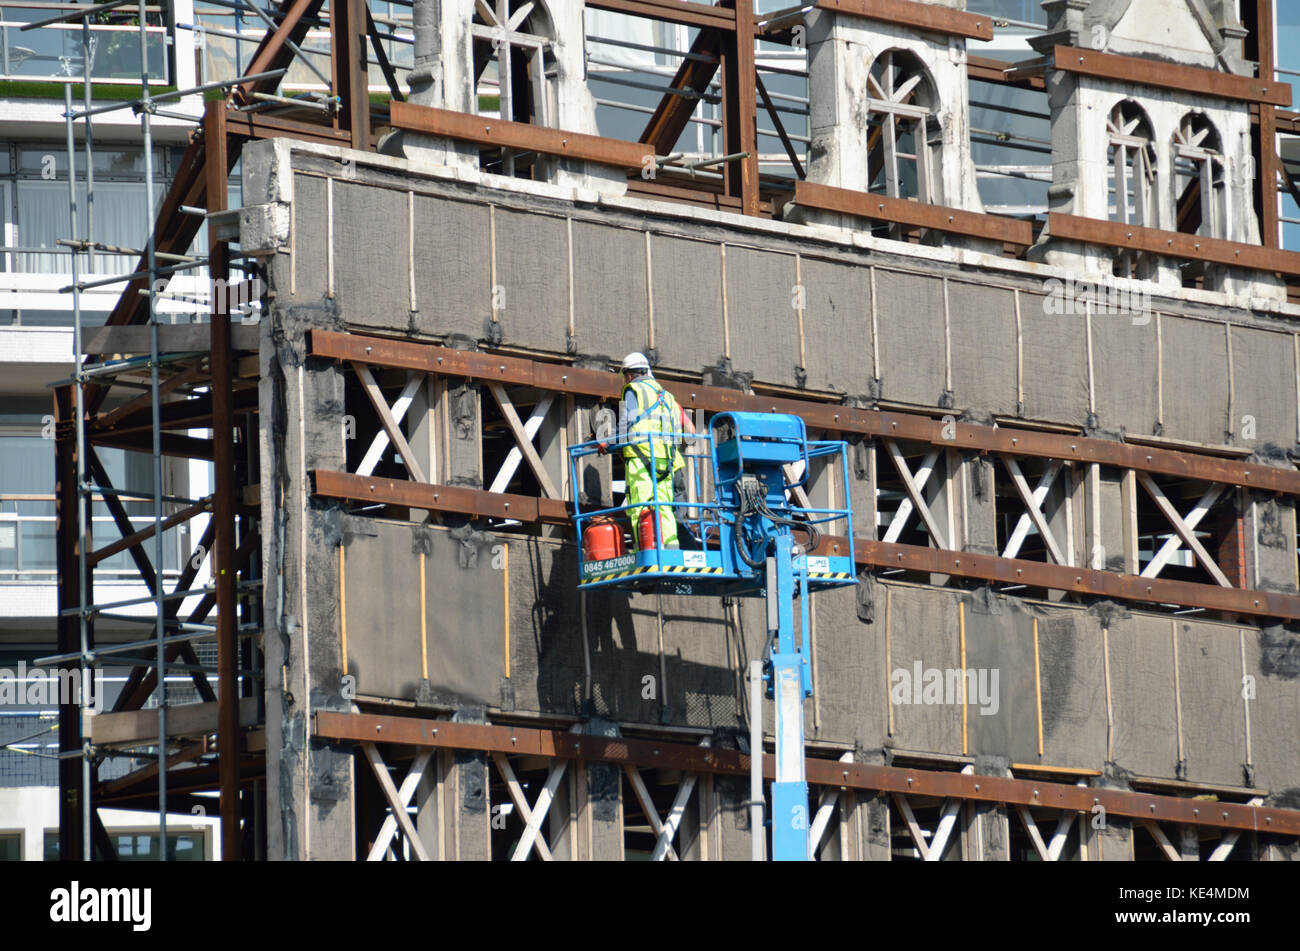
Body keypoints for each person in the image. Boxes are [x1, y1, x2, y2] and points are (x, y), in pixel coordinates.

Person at [598, 352, 695, 548]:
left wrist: (607, 441)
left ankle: (644, 550)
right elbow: (689, 432)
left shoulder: (633, 389)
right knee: (664, 508)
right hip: (666, 462)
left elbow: (628, 424)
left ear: (628, 374)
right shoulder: (666, 396)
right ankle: (670, 550)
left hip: (641, 460)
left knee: (640, 506)